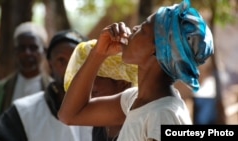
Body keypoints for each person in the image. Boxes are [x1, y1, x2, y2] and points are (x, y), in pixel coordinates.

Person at [58, 0, 214, 140]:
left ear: (157, 50)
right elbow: (70, 115)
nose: (134, 28)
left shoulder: (163, 115)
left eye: (143, 29)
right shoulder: (134, 100)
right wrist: (98, 53)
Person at [0, 30, 92, 141]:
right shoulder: (23, 112)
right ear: (50, 63)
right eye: (61, 60)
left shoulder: (106, 110)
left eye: (77, 60)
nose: (70, 67)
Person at [63, 39, 136, 141]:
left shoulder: (140, 109)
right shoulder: (100, 125)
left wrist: (99, 54)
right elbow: (67, 115)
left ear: (123, 83)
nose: (87, 95)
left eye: (95, 92)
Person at [0, 22, 52, 123]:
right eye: (22, 48)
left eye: (33, 47)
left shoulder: (54, 91)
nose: (27, 53)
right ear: (15, 51)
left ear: (44, 51)